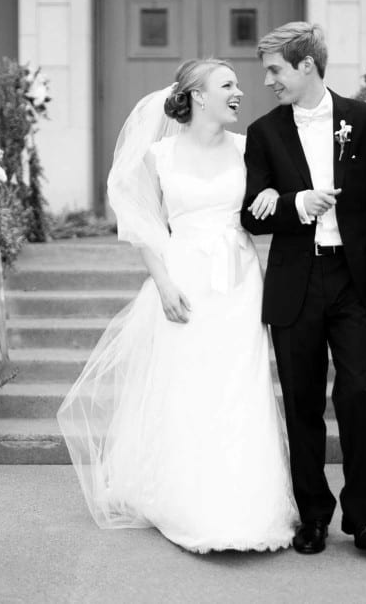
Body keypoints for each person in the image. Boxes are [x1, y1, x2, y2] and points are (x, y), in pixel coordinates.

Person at [57, 58, 297, 553]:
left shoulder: (250, 148)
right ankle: (185, 497)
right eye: (228, 84)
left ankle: (246, 503)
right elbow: (141, 220)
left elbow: (273, 190)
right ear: (199, 96)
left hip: (239, 279)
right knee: (187, 382)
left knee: (240, 383)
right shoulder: (159, 156)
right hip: (184, 274)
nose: (240, 92)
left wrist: (273, 189)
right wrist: (162, 282)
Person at [240, 23, 366, 554]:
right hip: (297, 283)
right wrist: (295, 204)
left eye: (275, 70)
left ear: (307, 66)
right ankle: (312, 514)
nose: (268, 80)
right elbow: (250, 213)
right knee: (302, 403)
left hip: (353, 283)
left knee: (358, 397)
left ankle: (362, 517)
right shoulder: (265, 132)